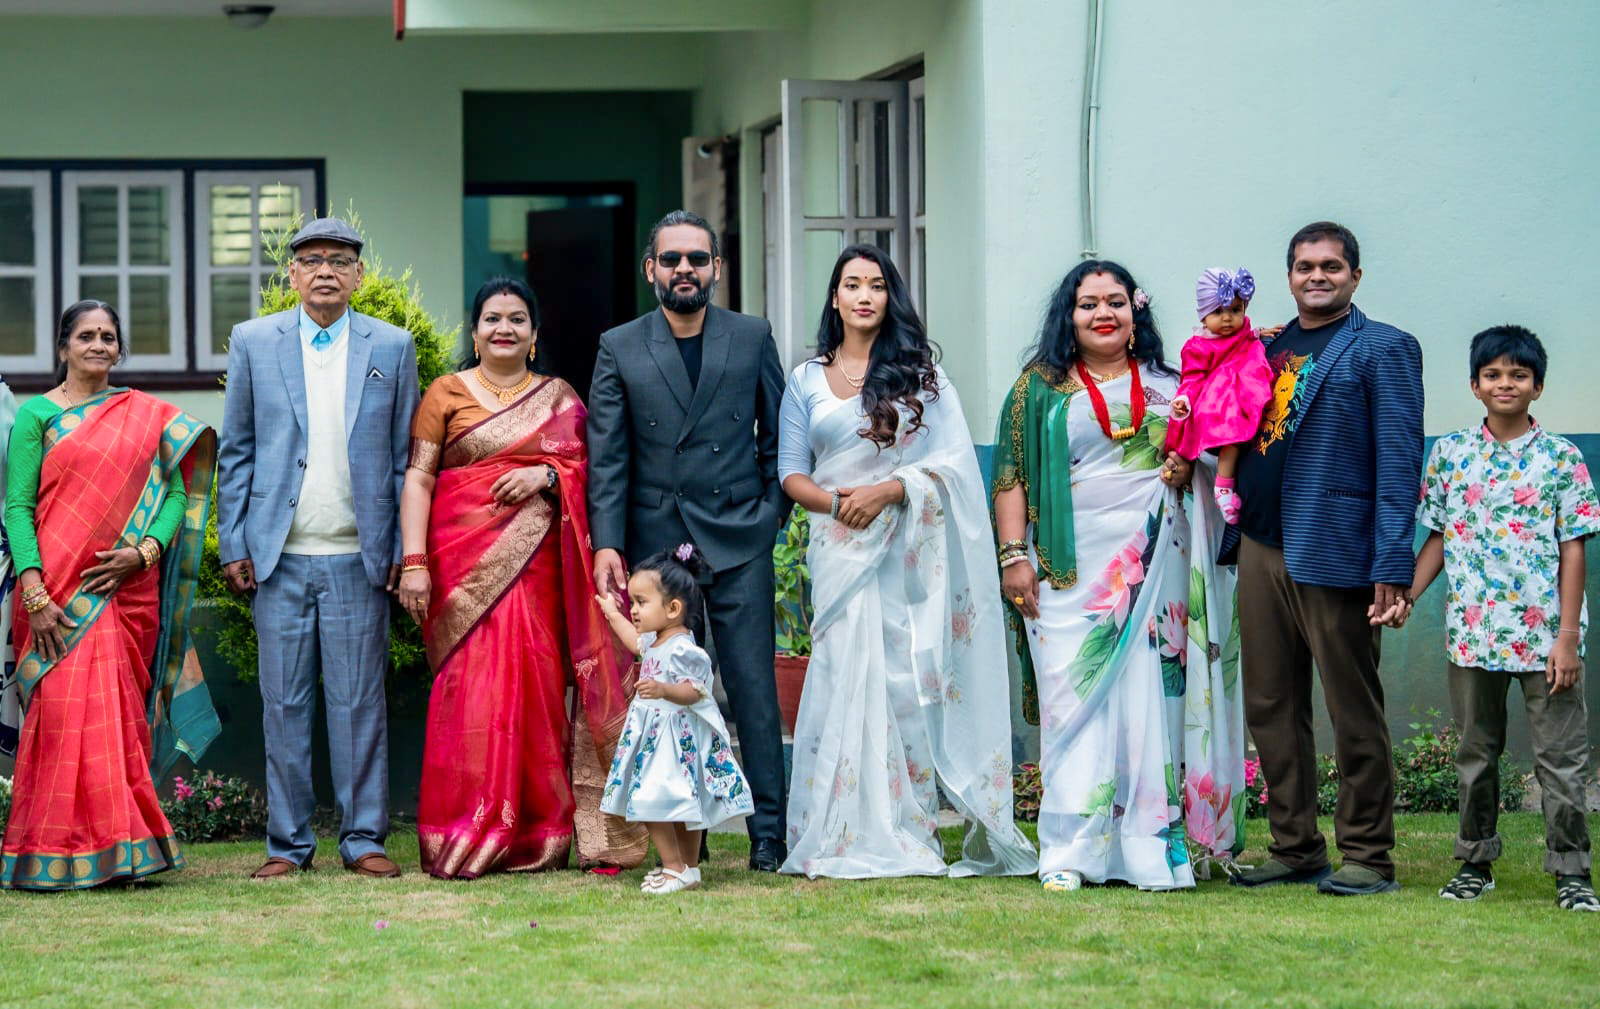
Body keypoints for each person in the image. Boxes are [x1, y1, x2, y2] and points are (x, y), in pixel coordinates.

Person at [775, 244, 1036, 879]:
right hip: (840, 546)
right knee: (840, 676)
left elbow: (952, 467)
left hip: (908, 549)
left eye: (876, 285)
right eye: (851, 284)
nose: (863, 295)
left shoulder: (923, 379)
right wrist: (842, 504)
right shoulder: (806, 379)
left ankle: (910, 825)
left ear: (890, 298)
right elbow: (790, 474)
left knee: (904, 684)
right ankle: (834, 827)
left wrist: (892, 491)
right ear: (834, 299)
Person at [993, 260, 1244, 892]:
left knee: (1152, 703)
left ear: (1137, 313)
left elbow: (1218, 434)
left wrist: (1191, 470)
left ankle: (1149, 847)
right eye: (1088, 304)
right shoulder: (1037, 390)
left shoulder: (1172, 383)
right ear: (1068, 318)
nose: (1103, 313)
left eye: (1115, 302)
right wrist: (1013, 554)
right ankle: (1071, 851)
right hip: (1066, 570)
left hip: (1161, 561)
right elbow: (1011, 477)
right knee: (1072, 700)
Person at [397, 277, 646, 877]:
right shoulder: (445, 394)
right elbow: (419, 482)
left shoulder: (560, 399)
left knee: (534, 693)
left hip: (539, 577)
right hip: (459, 573)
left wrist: (548, 478)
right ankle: (463, 832)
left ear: (534, 335)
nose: (503, 328)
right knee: (468, 697)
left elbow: (592, 473)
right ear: (475, 331)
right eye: (491, 318)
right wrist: (413, 563)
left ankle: (539, 834)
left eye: (516, 319)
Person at [217, 217, 420, 880]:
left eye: (338, 259)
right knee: (284, 702)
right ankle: (287, 842)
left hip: (359, 556)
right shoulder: (254, 341)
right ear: (292, 274)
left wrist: (398, 545)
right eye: (311, 260)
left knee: (360, 701)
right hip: (279, 556)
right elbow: (238, 448)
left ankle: (363, 837)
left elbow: (401, 457)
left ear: (359, 274)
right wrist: (235, 539)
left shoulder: (392, 345)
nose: (325, 270)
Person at [586, 210, 790, 871]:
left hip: (736, 538)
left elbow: (779, 435)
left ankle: (769, 835)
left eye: (696, 260)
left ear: (715, 269)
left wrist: (767, 518)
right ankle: (681, 839)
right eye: (671, 259)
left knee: (754, 689)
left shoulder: (752, 335)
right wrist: (608, 540)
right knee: (662, 694)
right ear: (651, 269)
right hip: (654, 549)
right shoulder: (619, 344)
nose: (684, 270)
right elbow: (609, 454)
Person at [1224, 221, 1423, 896]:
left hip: (1336, 548)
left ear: (1355, 276)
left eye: (1332, 266)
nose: (1318, 275)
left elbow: (1400, 463)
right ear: (1289, 275)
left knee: (1351, 705)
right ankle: (1296, 845)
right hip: (1259, 543)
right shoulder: (1268, 346)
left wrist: (1391, 564)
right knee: (1270, 703)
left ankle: (1367, 853)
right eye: (1305, 265)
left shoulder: (1384, 348)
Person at [0, 300, 218, 890]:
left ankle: (123, 849)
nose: (98, 345)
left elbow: (175, 493)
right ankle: (47, 851)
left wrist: (143, 552)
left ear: (120, 350)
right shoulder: (37, 417)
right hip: (56, 596)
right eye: (86, 336)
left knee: (119, 719)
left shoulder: (145, 415)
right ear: (64, 347)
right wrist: (36, 591)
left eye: (109, 337)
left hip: (124, 593)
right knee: (62, 718)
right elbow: (17, 508)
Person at [1392, 325, 1599, 911]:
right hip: (1474, 634)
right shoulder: (1452, 454)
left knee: (1560, 760)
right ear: (1475, 385)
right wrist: (1407, 594)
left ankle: (1572, 872)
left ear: (1537, 386)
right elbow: (1435, 536)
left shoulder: (1561, 458)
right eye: (1493, 375)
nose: (1505, 383)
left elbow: (1574, 547)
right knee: (1476, 754)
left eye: (1518, 375)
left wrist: (1565, 639)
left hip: (1546, 641)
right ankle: (1474, 864)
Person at [596, 544, 754, 894]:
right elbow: (633, 641)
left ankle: (676, 867)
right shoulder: (655, 640)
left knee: (653, 800)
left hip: (672, 739)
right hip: (654, 735)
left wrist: (664, 690)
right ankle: (687, 869)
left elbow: (695, 691)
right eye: (633, 602)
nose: (634, 610)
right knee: (680, 803)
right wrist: (611, 613)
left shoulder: (684, 649)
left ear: (673, 608)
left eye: (641, 602)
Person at [1164, 267, 1274, 524]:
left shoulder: (1243, 333)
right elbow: (1191, 378)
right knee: (1232, 435)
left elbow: (1245, 339)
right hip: (1215, 407)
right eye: (1218, 312)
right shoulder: (1198, 346)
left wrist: (1259, 333)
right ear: (1203, 317)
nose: (1227, 319)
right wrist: (1184, 400)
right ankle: (1223, 486)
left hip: (1240, 395)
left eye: (1235, 310)